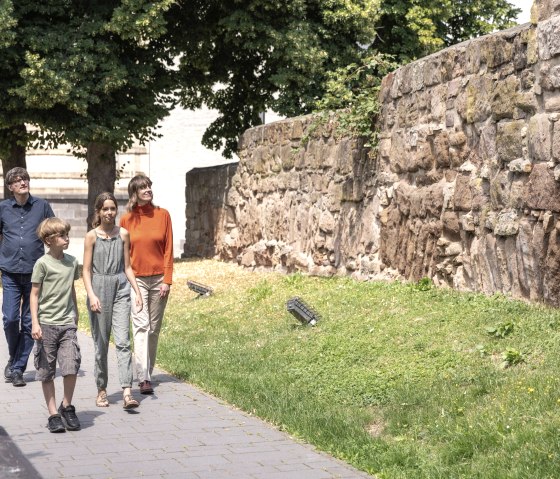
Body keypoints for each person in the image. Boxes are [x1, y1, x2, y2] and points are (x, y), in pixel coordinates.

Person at [82, 192, 143, 409]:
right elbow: (86, 271)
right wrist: (91, 295)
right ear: (98, 212)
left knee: (124, 341)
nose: (109, 213)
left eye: (112, 208)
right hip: (98, 287)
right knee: (101, 344)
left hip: (120, 287)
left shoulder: (124, 234)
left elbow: (127, 267)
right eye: (105, 209)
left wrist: (136, 291)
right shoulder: (91, 236)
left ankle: (127, 391)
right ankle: (101, 390)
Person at [1, 167, 54, 387]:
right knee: (11, 319)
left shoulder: (42, 206)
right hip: (11, 272)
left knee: (30, 322)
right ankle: (14, 359)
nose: (23, 182)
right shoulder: (2, 208)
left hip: (35, 273)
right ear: (10, 186)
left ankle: (17, 368)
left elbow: (54, 232)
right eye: (17, 180)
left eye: (25, 179)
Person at [120, 174, 173, 395]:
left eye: (149, 186)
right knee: (141, 325)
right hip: (137, 280)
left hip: (159, 278)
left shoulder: (163, 215)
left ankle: (147, 371)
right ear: (134, 193)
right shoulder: (126, 220)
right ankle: (143, 377)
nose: (148, 190)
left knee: (154, 328)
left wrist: (168, 280)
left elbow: (169, 248)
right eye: (143, 187)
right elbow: (123, 254)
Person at [30, 217, 80, 433]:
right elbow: (33, 295)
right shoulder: (42, 264)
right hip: (46, 325)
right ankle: (53, 414)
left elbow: (71, 289)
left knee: (71, 365)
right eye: (62, 235)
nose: (66, 239)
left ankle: (67, 406)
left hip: (67, 322)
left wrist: (76, 313)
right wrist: (35, 323)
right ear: (49, 240)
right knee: (46, 370)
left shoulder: (72, 262)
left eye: (67, 234)